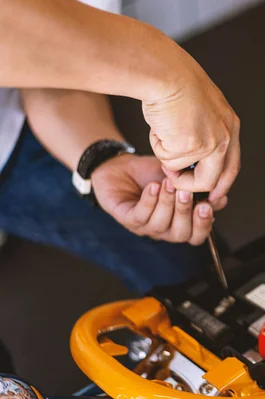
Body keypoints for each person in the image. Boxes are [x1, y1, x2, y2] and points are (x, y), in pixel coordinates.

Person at [0, 0, 240, 375]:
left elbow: (57, 63)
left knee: (180, 258)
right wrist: (170, 74)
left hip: (11, 145)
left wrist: (99, 157)